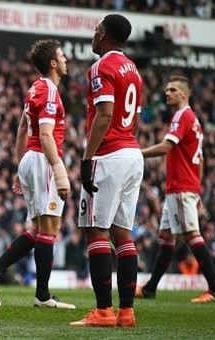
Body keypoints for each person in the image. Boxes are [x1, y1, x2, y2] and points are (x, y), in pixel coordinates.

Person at [0, 39, 75, 309]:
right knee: (50, 228)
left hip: (32, 159)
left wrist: (22, 168)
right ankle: (42, 296)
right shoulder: (50, 92)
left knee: (39, 228)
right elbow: (44, 134)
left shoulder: (34, 89)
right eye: (62, 56)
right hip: (44, 159)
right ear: (53, 63)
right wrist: (58, 169)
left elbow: (22, 130)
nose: (66, 60)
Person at [70, 14, 143, 328]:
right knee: (122, 235)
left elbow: (104, 115)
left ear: (105, 35)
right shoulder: (134, 70)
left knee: (96, 230)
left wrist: (87, 158)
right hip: (132, 151)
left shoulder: (102, 67)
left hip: (109, 154)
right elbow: (134, 116)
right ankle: (126, 312)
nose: (93, 33)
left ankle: (102, 312)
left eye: (97, 29)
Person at [135, 75, 215, 303]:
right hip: (183, 187)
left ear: (185, 94)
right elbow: (201, 159)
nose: (168, 93)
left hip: (181, 187)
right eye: (167, 89)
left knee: (191, 235)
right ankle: (150, 289)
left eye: (173, 89)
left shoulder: (183, 116)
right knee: (166, 237)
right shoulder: (194, 120)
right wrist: (197, 188)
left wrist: (138, 152)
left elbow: (167, 147)